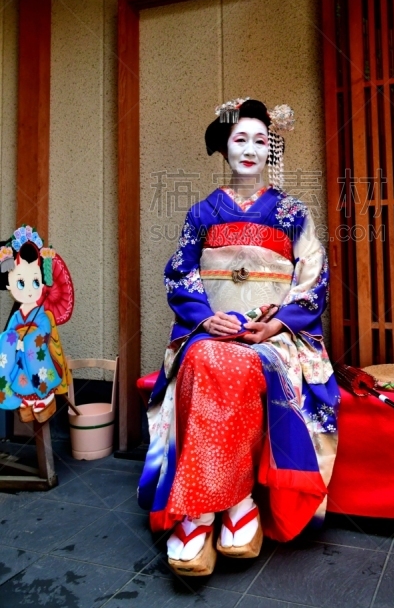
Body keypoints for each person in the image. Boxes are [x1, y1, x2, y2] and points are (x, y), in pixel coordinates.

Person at [138, 99, 340, 577]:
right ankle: (232, 506)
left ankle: (201, 514)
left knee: (233, 363)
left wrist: (277, 323)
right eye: (239, 139)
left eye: (258, 140)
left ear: (270, 149)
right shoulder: (202, 212)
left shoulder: (292, 211)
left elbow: (314, 277)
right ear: (224, 148)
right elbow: (180, 275)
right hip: (211, 330)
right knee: (206, 358)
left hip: (273, 334)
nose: (249, 149)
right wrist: (205, 320)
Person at [0, 226, 70, 423]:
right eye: (21, 283)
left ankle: (44, 397)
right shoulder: (17, 316)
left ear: (43, 283)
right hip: (20, 357)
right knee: (15, 364)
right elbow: (9, 334)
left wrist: (27, 340)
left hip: (36, 355)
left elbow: (44, 332)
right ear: (9, 285)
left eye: (36, 282)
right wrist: (13, 341)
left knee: (34, 356)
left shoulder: (42, 316)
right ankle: (26, 401)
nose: (30, 290)